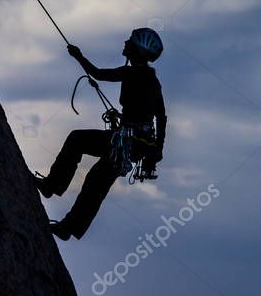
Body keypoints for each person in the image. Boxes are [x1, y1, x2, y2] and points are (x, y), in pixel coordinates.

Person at [36, 28, 166, 240]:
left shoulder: (133, 74)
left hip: (127, 143)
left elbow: (98, 73)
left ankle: (53, 189)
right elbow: (161, 116)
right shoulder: (150, 79)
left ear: (137, 50)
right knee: (94, 177)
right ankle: (65, 219)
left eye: (130, 42)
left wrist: (78, 56)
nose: (125, 42)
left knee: (86, 158)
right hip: (133, 143)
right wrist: (158, 148)